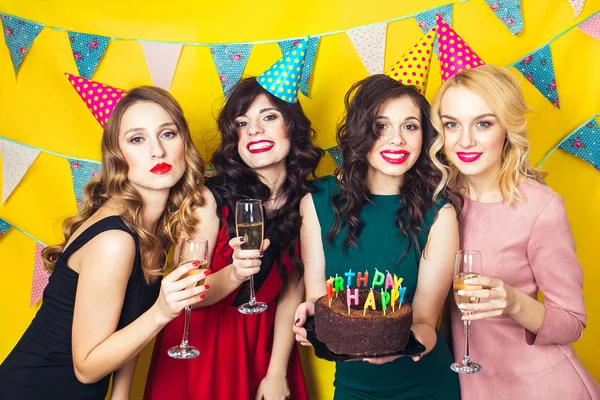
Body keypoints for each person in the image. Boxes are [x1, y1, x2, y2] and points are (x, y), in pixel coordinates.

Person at [0, 86, 209, 400]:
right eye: (137, 139)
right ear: (117, 155)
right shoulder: (115, 240)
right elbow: (86, 367)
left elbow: (128, 324)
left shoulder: (153, 228)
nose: (157, 151)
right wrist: (162, 311)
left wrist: (122, 395)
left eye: (167, 134)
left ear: (184, 143)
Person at [145, 77, 323, 400]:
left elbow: (291, 292)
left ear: (292, 126)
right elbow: (187, 294)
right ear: (235, 138)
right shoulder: (209, 199)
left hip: (266, 345)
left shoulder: (307, 203)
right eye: (243, 123)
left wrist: (276, 371)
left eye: (268, 117)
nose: (254, 129)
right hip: (205, 344)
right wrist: (234, 274)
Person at [429, 63, 600, 400]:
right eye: (452, 124)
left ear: (506, 128)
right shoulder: (436, 200)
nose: (465, 140)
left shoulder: (540, 206)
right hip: (464, 385)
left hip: (539, 386)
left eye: (483, 123)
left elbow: (572, 321)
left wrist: (512, 301)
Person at [293, 74, 462, 399]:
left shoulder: (439, 213)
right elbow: (320, 299)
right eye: (381, 126)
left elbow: (426, 320)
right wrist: (311, 321)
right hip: (352, 389)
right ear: (360, 133)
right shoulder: (318, 202)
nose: (396, 139)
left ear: (424, 136)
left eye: (410, 126)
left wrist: (397, 347)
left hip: (425, 387)